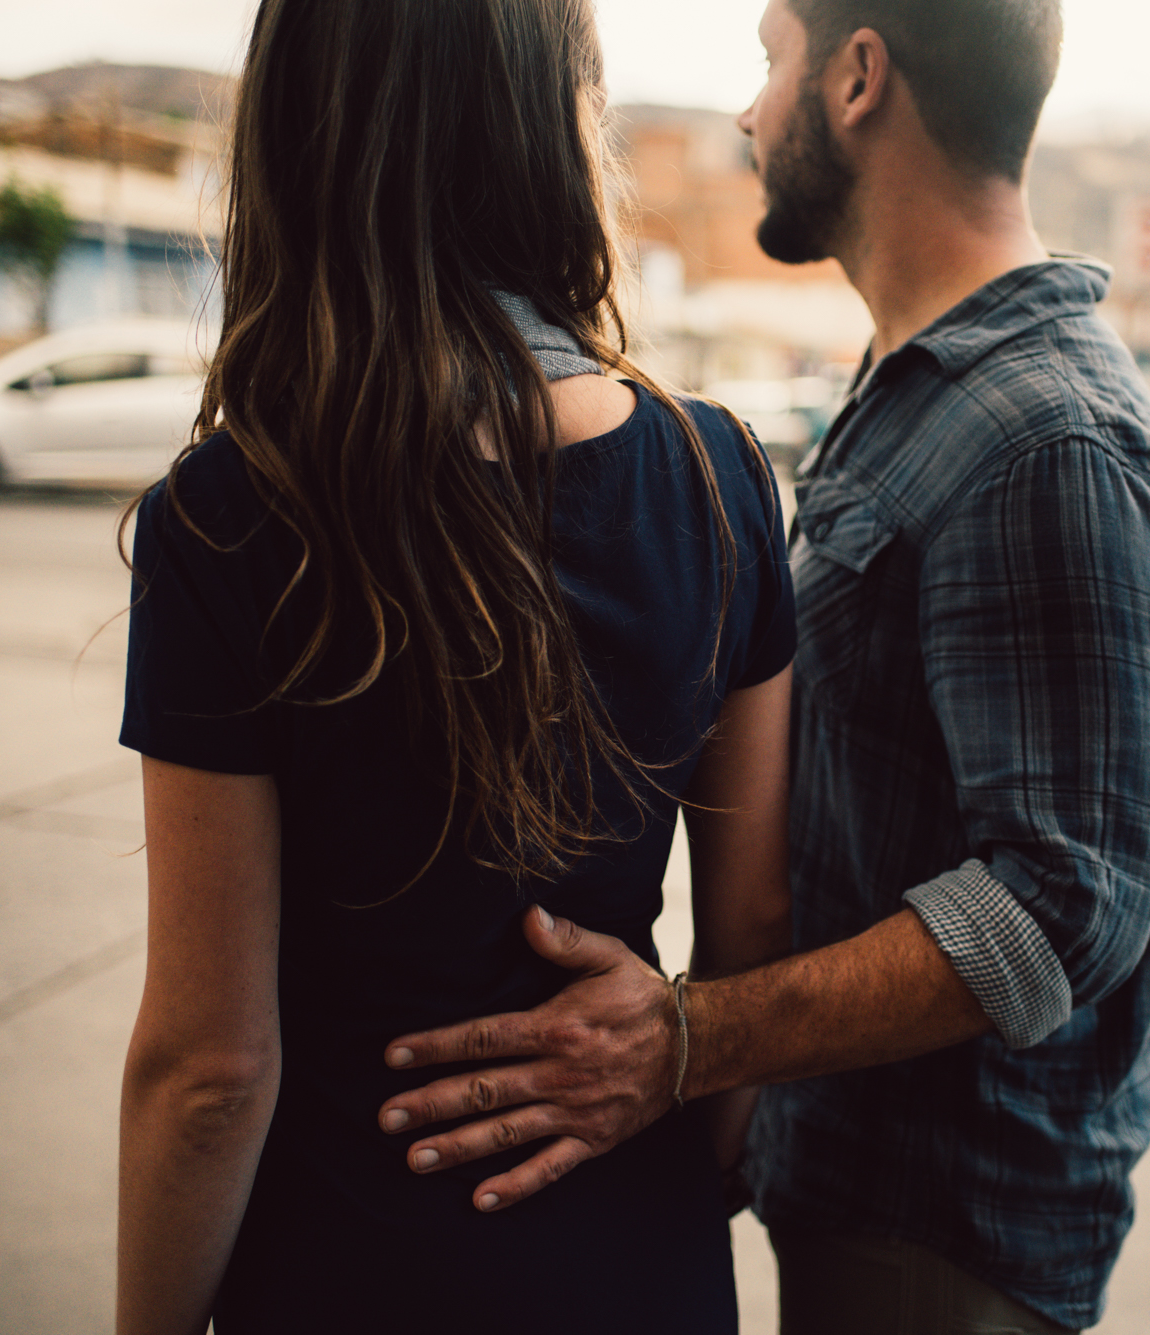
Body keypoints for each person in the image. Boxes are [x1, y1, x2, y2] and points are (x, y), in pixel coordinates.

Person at [374, 1, 1150, 1331]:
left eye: (771, 61)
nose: (751, 114)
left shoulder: (1048, 438)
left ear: (859, 76)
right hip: (858, 1194)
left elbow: (1066, 902)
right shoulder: (925, 388)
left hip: (947, 1237)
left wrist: (691, 1039)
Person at [113, 2, 796, 1332]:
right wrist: (680, 1168)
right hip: (636, 1255)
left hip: (345, 1266)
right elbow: (754, 932)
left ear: (303, 132)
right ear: (556, 129)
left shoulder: (233, 515)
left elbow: (210, 1068)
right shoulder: (718, 476)